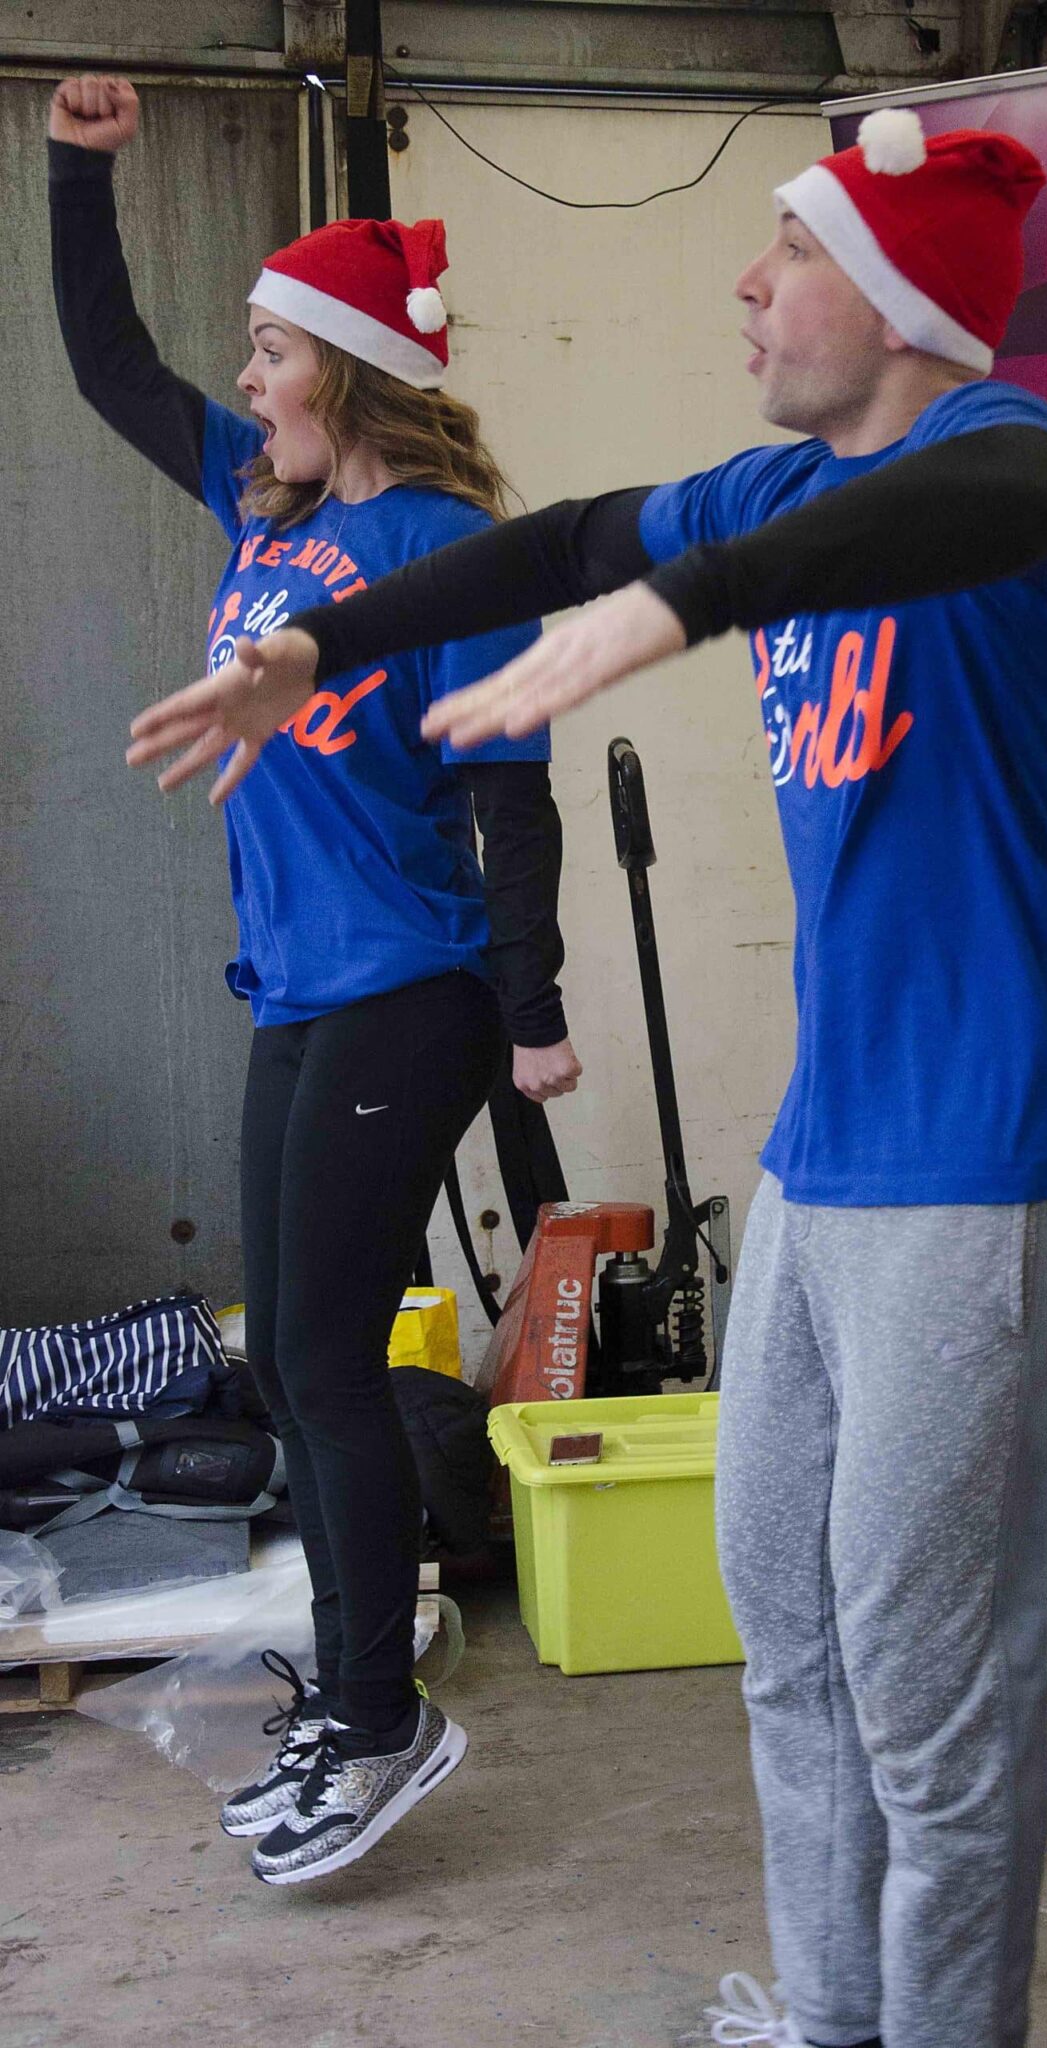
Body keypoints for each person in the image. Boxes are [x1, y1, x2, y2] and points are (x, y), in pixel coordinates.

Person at [130, 110, 1047, 2045]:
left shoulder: (1001, 454)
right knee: (786, 1627)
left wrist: (684, 606)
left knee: (934, 1689)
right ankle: (835, 2013)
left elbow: (970, 512)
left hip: (1012, 1156)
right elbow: (558, 540)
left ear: (894, 300)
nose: (747, 282)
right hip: (835, 1157)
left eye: (790, 248)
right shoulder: (772, 485)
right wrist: (319, 644)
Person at [49, 72, 582, 1886]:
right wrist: (75, 170)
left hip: (411, 991)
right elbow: (111, 365)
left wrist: (533, 1011)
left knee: (331, 1363)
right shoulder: (261, 507)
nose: (247, 371)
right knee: (285, 1360)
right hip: (294, 991)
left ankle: (374, 1724)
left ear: (345, 371)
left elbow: (514, 794)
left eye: (272, 347)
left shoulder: (446, 551)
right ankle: (351, 1700)